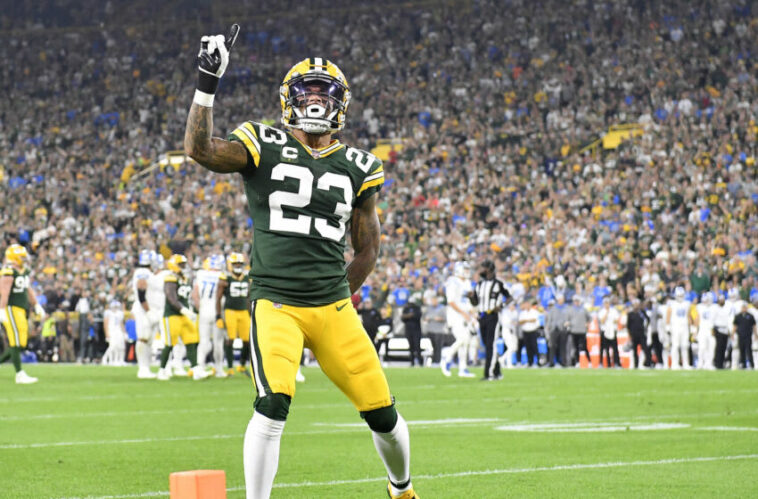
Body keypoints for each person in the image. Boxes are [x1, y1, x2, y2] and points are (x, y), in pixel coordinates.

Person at [183, 31, 417, 499]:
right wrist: (207, 82)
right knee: (271, 405)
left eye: (325, 94)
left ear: (342, 105)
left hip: (332, 309)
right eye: (306, 93)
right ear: (288, 101)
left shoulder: (359, 165)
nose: (315, 101)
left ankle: (402, 489)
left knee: (384, 416)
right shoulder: (261, 140)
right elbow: (200, 150)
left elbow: (368, 249)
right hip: (276, 303)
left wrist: (336, 292)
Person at [0, 244, 46, 383]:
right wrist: (1, 309)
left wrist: (37, 304)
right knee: (16, 341)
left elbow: (28, 290)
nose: (24, 259)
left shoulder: (23, 270)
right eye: (21, 257)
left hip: (21, 309)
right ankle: (19, 374)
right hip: (11, 308)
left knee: (21, 342)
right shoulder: (8, 271)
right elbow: (4, 292)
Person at [157, 254, 207, 381]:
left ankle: (195, 369)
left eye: (184, 264)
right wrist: (184, 310)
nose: (184, 266)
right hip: (172, 315)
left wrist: (190, 310)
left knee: (191, 341)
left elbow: (186, 298)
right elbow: (171, 298)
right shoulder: (170, 278)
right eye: (181, 264)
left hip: (185, 314)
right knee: (169, 343)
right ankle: (162, 370)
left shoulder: (184, 278)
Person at [470, 260, 509, 380]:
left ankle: (489, 373)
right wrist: (471, 298)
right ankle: (497, 371)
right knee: (487, 345)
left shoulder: (498, 283)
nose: (481, 270)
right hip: (482, 316)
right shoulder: (479, 285)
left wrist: (501, 306)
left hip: (492, 315)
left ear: (489, 269)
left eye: (483, 267)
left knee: (490, 345)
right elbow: (475, 302)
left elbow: (509, 297)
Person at [216, 252, 251, 377]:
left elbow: (249, 297)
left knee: (247, 340)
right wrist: (218, 315)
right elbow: (218, 297)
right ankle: (230, 368)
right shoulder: (225, 277)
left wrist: (250, 312)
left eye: (240, 263)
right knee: (230, 339)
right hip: (229, 310)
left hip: (243, 311)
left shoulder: (247, 277)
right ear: (230, 265)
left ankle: (241, 365)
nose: (238, 266)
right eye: (235, 263)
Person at [441, 261, 476, 377]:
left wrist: (472, 313)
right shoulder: (452, 281)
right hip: (455, 315)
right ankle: (446, 357)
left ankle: (463, 368)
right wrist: (463, 313)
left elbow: (467, 301)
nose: (467, 272)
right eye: (465, 269)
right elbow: (451, 301)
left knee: (466, 342)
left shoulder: (467, 282)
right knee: (462, 339)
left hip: (465, 314)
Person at [193, 253, 225, 376]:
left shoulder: (201, 274)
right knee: (218, 342)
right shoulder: (222, 276)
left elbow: (195, 295)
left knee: (204, 341)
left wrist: (200, 308)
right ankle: (219, 369)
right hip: (218, 311)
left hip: (204, 310)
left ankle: (200, 367)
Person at [131, 249, 159, 378]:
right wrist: (148, 310)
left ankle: (146, 368)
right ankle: (142, 369)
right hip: (143, 309)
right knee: (143, 338)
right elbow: (141, 289)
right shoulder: (143, 273)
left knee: (148, 340)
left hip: (146, 308)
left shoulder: (145, 272)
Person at [666, 286, 692, 370]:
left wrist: (691, 326)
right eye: (679, 296)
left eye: (681, 295)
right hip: (675, 326)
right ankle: (675, 363)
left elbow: (688, 315)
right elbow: (668, 314)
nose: (680, 297)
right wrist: (668, 325)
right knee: (675, 345)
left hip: (684, 326)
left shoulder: (687, 303)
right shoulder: (672, 303)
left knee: (685, 345)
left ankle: (685, 363)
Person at [567, 295, 591, 366]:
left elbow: (589, 318)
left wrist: (587, 323)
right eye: (575, 301)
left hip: (582, 330)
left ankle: (589, 361)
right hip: (574, 330)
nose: (576, 302)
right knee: (575, 347)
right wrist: (568, 323)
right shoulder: (570, 310)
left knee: (584, 347)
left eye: (577, 301)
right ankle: (577, 362)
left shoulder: (584, 309)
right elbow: (568, 319)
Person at [626, 299, 651, 369]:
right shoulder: (630, 314)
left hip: (642, 334)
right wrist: (629, 335)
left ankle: (648, 363)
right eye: (635, 304)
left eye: (637, 304)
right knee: (634, 351)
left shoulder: (642, 313)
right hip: (634, 335)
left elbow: (648, 320)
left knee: (645, 349)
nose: (636, 305)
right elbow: (628, 326)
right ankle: (636, 365)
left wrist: (645, 328)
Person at [598, 297, 621, 368]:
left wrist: (611, 321)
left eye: (607, 303)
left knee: (615, 348)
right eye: (605, 303)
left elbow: (617, 320)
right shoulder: (601, 311)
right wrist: (607, 314)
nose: (606, 304)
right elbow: (602, 321)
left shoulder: (614, 311)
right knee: (604, 348)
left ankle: (616, 363)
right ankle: (605, 363)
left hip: (612, 330)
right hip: (604, 331)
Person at [400, 294, 423, 367]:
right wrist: (409, 315)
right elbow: (403, 318)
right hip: (408, 330)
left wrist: (408, 316)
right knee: (411, 347)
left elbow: (417, 316)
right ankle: (412, 362)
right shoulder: (406, 308)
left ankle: (420, 362)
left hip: (416, 330)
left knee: (417, 346)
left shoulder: (417, 308)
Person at [695, 292, 716, 369]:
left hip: (711, 330)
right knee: (702, 347)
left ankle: (709, 363)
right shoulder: (700, 307)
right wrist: (695, 331)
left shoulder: (714, 307)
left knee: (711, 347)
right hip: (702, 329)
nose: (706, 302)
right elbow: (697, 319)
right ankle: (700, 363)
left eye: (707, 300)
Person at [732, 302, 756, 369]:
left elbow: (754, 326)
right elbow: (735, 325)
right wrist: (732, 334)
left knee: (749, 350)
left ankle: (752, 364)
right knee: (741, 350)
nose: (744, 309)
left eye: (745, 307)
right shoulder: (738, 316)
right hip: (740, 335)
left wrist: (756, 334)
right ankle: (743, 364)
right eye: (743, 307)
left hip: (748, 335)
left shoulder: (750, 316)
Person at [103, 299, 127, 366]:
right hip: (111, 330)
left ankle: (120, 360)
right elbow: (105, 324)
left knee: (121, 346)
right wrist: (107, 334)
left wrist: (124, 333)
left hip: (118, 330)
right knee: (112, 346)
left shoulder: (120, 313)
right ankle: (108, 359)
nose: (115, 308)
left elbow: (121, 323)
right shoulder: (108, 312)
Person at [518, 299, 541, 367]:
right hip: (525, 332)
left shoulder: (534, 312)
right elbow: (520, 322)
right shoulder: (522, 313)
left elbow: (534, 320)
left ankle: (538, 362)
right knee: (528, 347)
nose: (527, 306)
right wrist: (528, 320)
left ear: (530, 305)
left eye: (528, 304)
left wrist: (526, 320)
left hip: (533, 331)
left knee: (535, 347)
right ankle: (530, 362)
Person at [712, 294, 731, 369]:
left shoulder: (726, 309)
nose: (722, 301)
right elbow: (712, 319)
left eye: (723, 300)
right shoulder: (715, 308)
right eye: (720, 300)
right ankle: (717, 363)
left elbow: (728, 320)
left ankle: (721, 363)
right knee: (718, 348)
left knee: (724, 347)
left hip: (725, 329)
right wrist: (712, 329)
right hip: (718, 329)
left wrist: (729, 329)